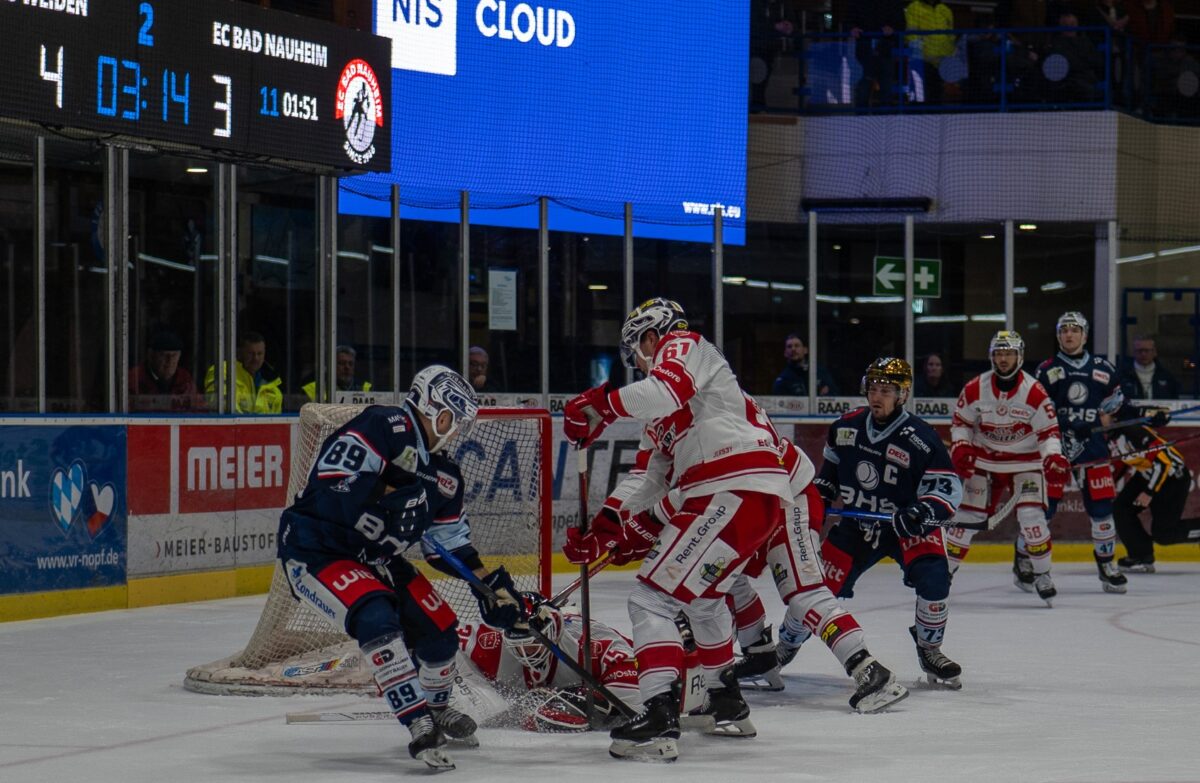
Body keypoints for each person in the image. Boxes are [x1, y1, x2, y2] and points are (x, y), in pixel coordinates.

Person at [561, 297, 792, 761]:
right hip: (745, 497)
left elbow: (662, 391)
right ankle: (725, 702)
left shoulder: (684, 345)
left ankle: (658, 714)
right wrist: (608, 523)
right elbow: (648, 478)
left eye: (636, 353)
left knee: (650, 599)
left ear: (651, 336)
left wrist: (600, 404)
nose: (639, 364)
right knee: (704, 601)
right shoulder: (667, 410)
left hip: (730, 491)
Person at [276, 365, 523, 771]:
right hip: (317, 550)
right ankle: (417, 721)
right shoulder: (383, 425)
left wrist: (490, 589)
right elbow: (332, 481)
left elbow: (449, 546)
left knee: (441, 631)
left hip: (376, 559)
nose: (455, 431)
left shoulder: (445, 477)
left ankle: (438, 708)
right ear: (436, 410)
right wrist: (392, 491)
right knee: (376, 616)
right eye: (453, 421)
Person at [813, 357, 965, 689]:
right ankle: (781, 647)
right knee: (815, 589)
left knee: (936, 577)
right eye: (873, 389)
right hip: (858, 527)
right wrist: (817, 502)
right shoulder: (845, 427)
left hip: (905, 529)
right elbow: (828, 480)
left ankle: (929, 649)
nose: (877, 397)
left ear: (902, 395)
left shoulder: (921, 437)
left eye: (885, 391)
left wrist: (923, 512)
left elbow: (947, 488)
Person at [727, 437, 909, 713]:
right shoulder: (689, 417)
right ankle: (759, 657)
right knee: (722, 577)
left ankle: (868, 668)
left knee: (803, 593)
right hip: (750, 498)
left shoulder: (704, 413)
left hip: (787, 496)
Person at [942, 331, 1071, 605]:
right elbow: (961, 422)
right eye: (998, 353)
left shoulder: (1035, 391)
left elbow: (1048, 432)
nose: (1003, 359)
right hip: (985, 460)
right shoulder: (975, 387)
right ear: (991, 356)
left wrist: (1053, 457)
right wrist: (962, 447)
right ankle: (943, 572)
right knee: (966, 518)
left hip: (1024, 461)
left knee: (1032, 519)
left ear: (1019, 356)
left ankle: (1043, 574)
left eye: (1008, 353)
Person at [1035, 311, 1129, 593]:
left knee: (1102, 511)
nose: (1069, 334)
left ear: (1085, 335)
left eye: (1075, 330)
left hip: (1093, 450)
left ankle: (1106, 564)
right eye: (1064, 330)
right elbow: (1038, 410)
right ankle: (1025, 562)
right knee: (1042, 511)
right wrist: (1066, 422)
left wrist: (1147, 413)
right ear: (1058, 335)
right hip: (1055, 451)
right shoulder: (1047, 369)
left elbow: (1117, 404)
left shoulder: (1103, 368)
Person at [456, 596, 642, 732]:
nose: (525, 654)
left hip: (580, 632)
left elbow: (639, 695)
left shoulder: (591, 646)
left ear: (554, 633)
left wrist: (587, 699)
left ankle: (569, 612)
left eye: (532, 644)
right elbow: (441, 641)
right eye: (518, 646)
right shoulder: (489, 642)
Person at [1107, 407, 1198, 571]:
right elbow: (1121, 461)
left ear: (1112, 417)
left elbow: (1164, 462)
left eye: (1100, 415)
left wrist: (1149, 492)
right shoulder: (1110, 436)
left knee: (1164, 534)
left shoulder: (1132, 431)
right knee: (1121, 508)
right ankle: (1141, 555)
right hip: (1148, 473)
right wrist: (1110, 483)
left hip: (1172, 477)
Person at [845, 0, 907, 107]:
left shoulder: (893, 3)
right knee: (864, 86)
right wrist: (852, 28)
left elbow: (901, 23)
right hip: (864, 49)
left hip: (885, 48)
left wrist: (892, 29)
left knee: (886, 85)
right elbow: (848, 20)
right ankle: (861, 117)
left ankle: (885, 116)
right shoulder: (857, 3)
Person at [203, 331, 283, 414]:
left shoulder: (273, 387)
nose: (255, 358)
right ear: (240, 353)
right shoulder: (224, 371)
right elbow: (222, 407)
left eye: (259, 353)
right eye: (251, 353)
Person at [128, 329, 201, 412]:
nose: (169, 361)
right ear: (151, 355)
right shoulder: (134, 378)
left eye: (174, 355)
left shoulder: (185, 379)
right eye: (163, 355)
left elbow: (200, 411)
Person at [905, 0, 957, 103]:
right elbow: (912, 35)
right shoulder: (914, 7)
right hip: (922, 61)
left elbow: (950, 35)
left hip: (941, 61)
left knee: (937, 96)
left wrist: (949, 56)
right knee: (919, 97)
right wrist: (924, 54)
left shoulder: (945, 10)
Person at [772, 334, 838, 396]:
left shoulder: (820, 372)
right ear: (785, 353)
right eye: (789, 346)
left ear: (805, 350)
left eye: (797, 345)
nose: (793, 349)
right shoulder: (783, 379)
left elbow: (834, 395)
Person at [1119, 335, 1180, 400]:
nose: (1143, 354)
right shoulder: (1123, 376)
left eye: (1147, 350)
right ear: (1133, 352)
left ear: (1154, 352)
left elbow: (1174, 400)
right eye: (1140, 350)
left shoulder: (1167, 377)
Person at [302, 345, 373, 401]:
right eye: (341, 363)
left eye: (351, 364)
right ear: (331, 366)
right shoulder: (313, 389)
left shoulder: (365, 388)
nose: (347, 367)